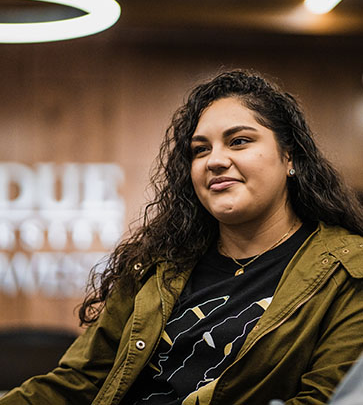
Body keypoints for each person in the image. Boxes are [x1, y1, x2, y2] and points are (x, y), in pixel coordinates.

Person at [1, 70, 363, 405]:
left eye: (238, 141)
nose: (215, 160)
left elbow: (324, 400)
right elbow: (77, 382)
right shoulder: (157, 263)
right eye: (200, 149)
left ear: (290, 157)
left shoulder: (349, 271)